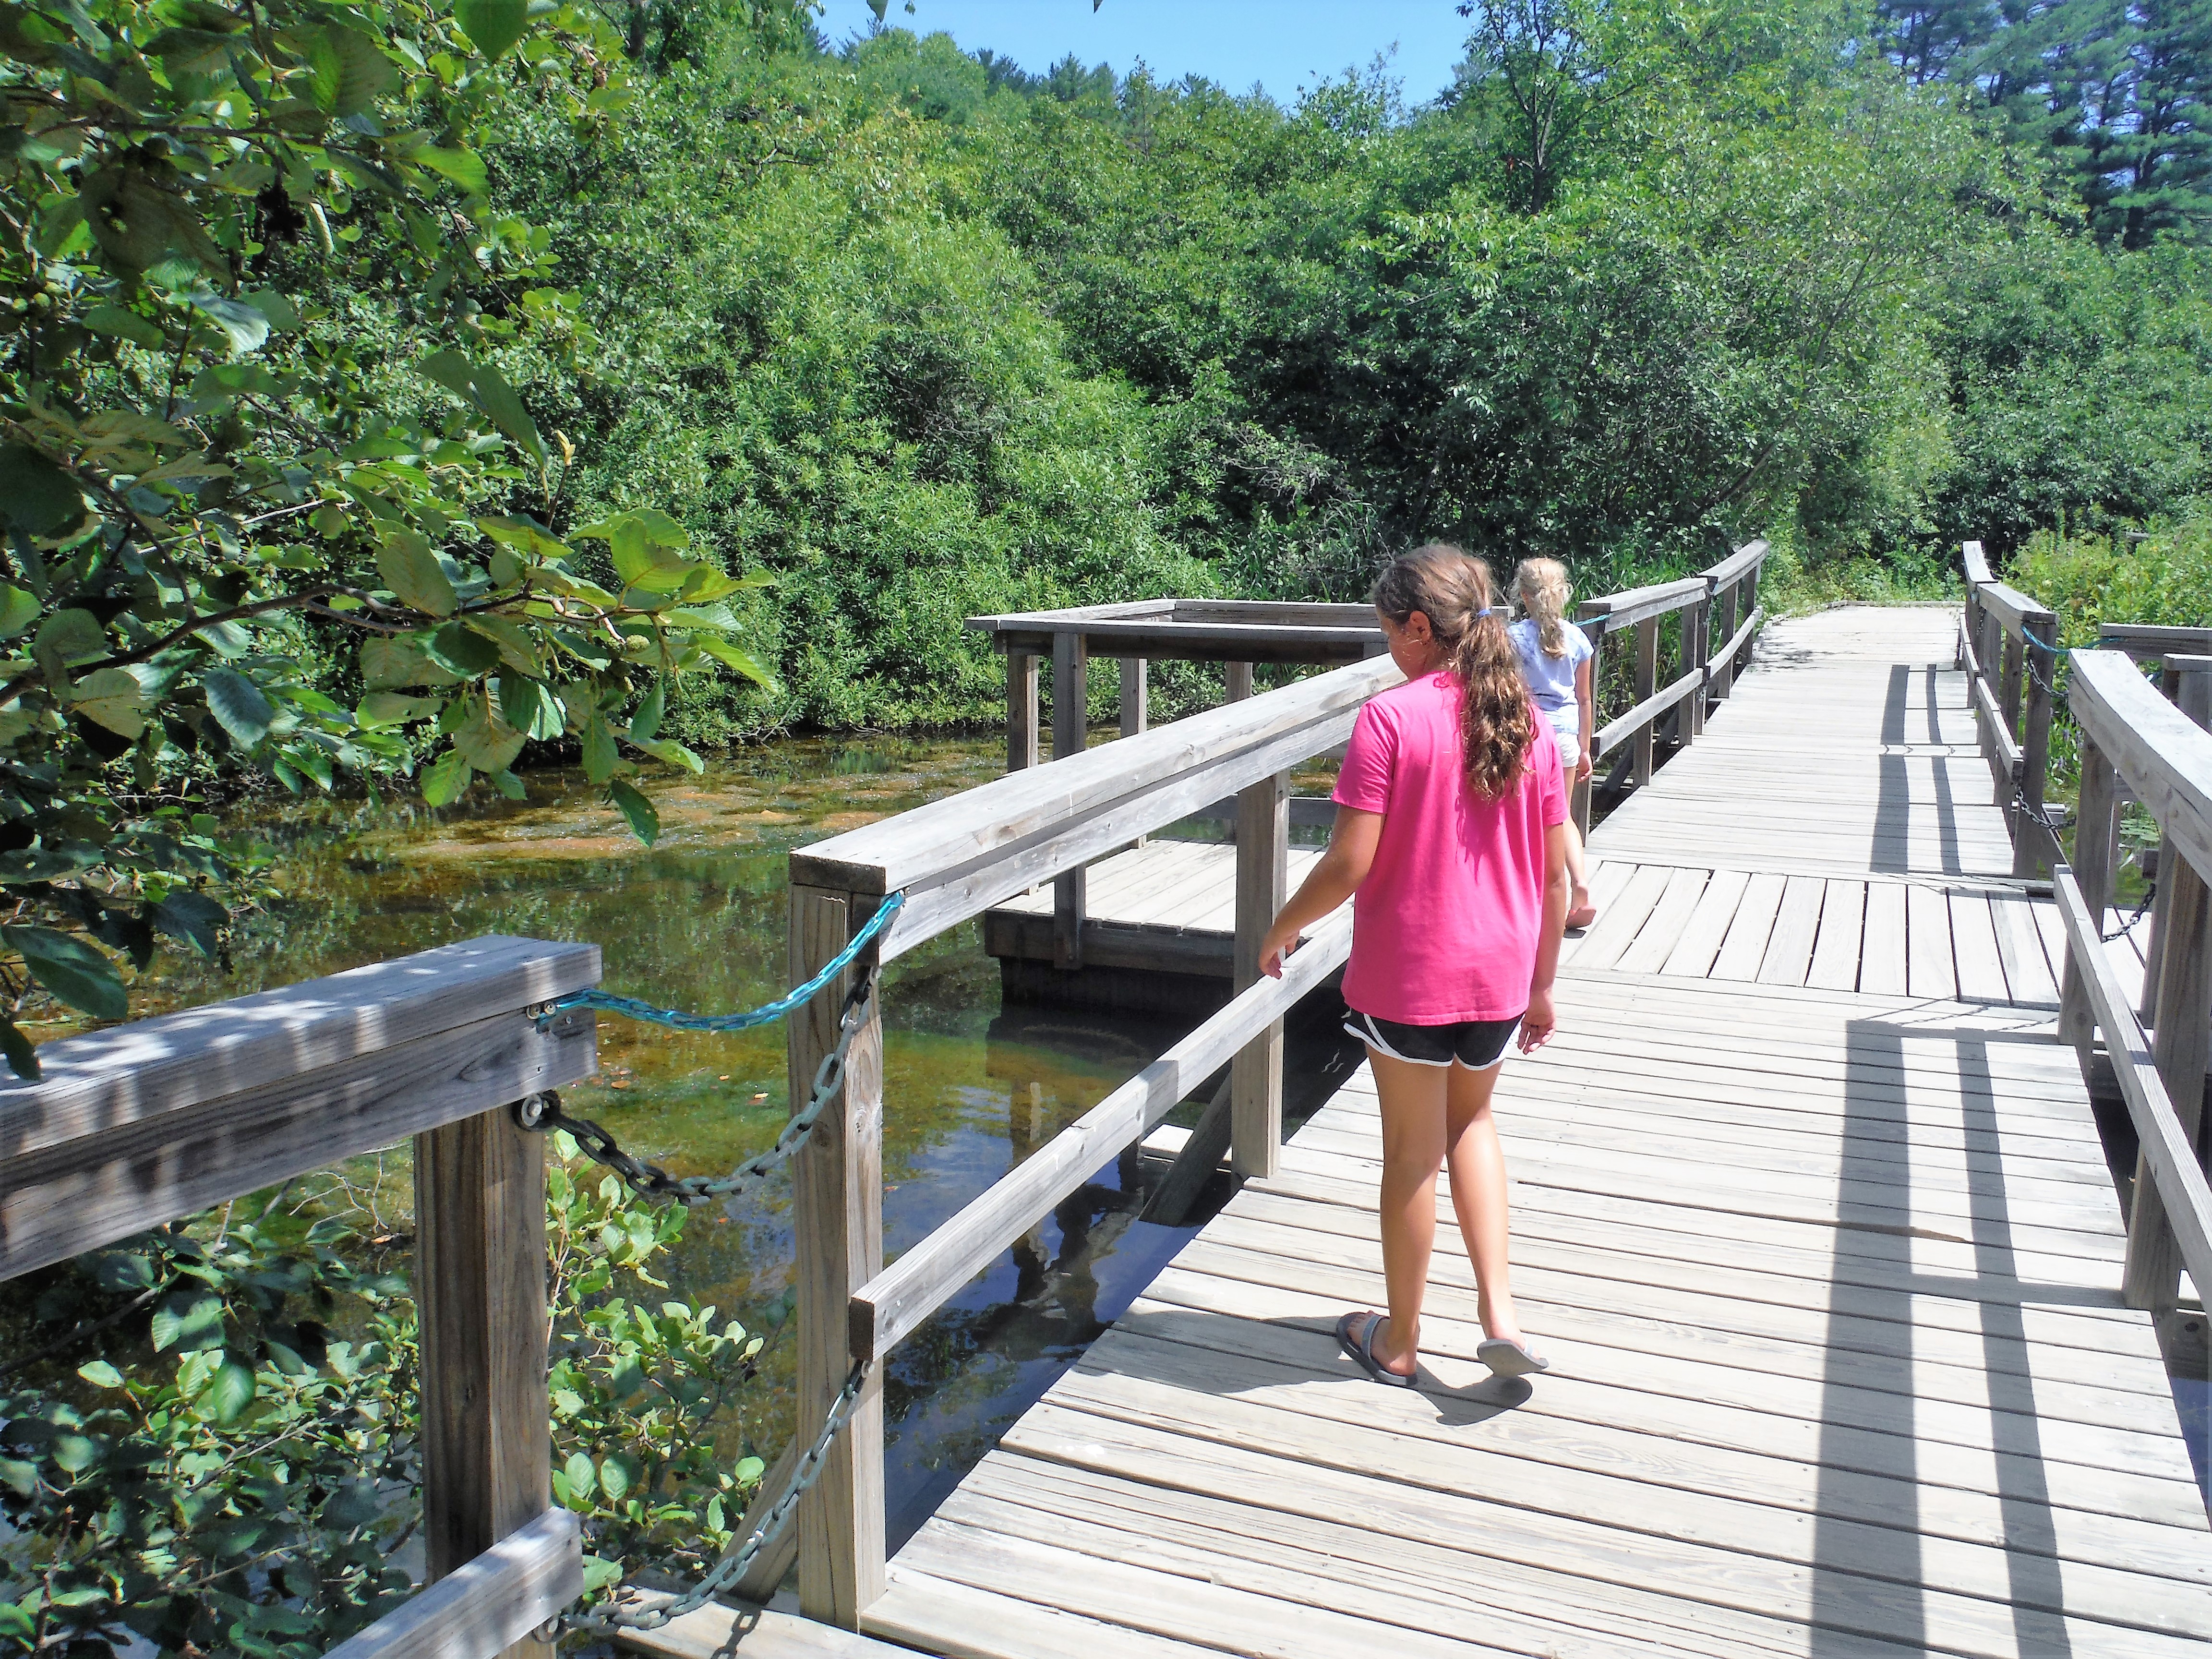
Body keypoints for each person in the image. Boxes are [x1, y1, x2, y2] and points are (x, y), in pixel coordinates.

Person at [1259, 543, 1569, 1388]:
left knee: (1410, 1154)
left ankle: (1398, 1341)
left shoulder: (1389, 720)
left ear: (1419, 627)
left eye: (1388, 632)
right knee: (1473, 1127)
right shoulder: (1526, 723)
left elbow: (1348, 862)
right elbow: (1553, 876)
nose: (1387, 648)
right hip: (1501, 976)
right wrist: (1540, 985)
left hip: (1412, 978)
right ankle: (1498, 1314)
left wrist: (1280, 926)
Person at [1508, 557, 1598, 930]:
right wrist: (1585, 748)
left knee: (1525, 817)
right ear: (1563, 594)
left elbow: (1507, 692)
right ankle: (1580, 884)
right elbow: (1584, 699)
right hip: (1564, 736)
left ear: (1524, 596)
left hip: (1527, 735)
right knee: (1561, 815)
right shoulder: (1578, 638)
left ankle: (1535, 896)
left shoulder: (1512, 638)